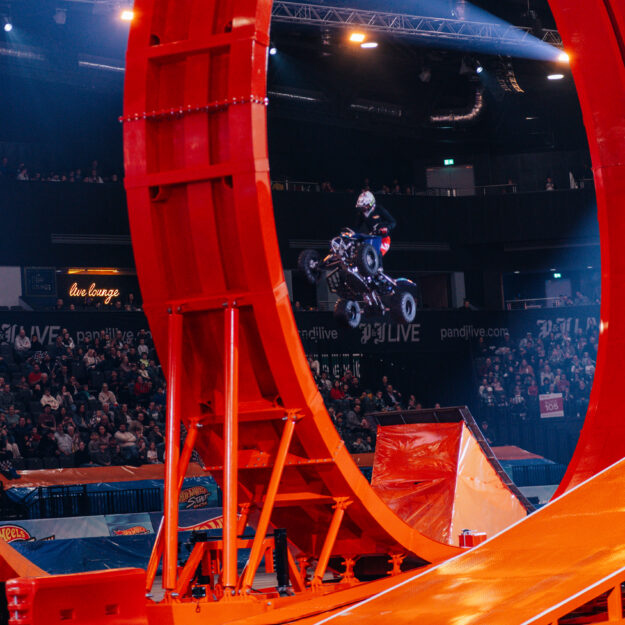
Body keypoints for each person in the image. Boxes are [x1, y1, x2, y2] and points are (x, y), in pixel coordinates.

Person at [355, 191, 396, 257]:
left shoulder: (379, 209)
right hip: (371, 238)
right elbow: (357, 227)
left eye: (364, 206)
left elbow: (393, 222)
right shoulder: (362, 214)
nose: (363, 209)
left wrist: (387, 228)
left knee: (377, 255)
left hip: (384, 239)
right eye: (362, 207)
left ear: (370, 204)